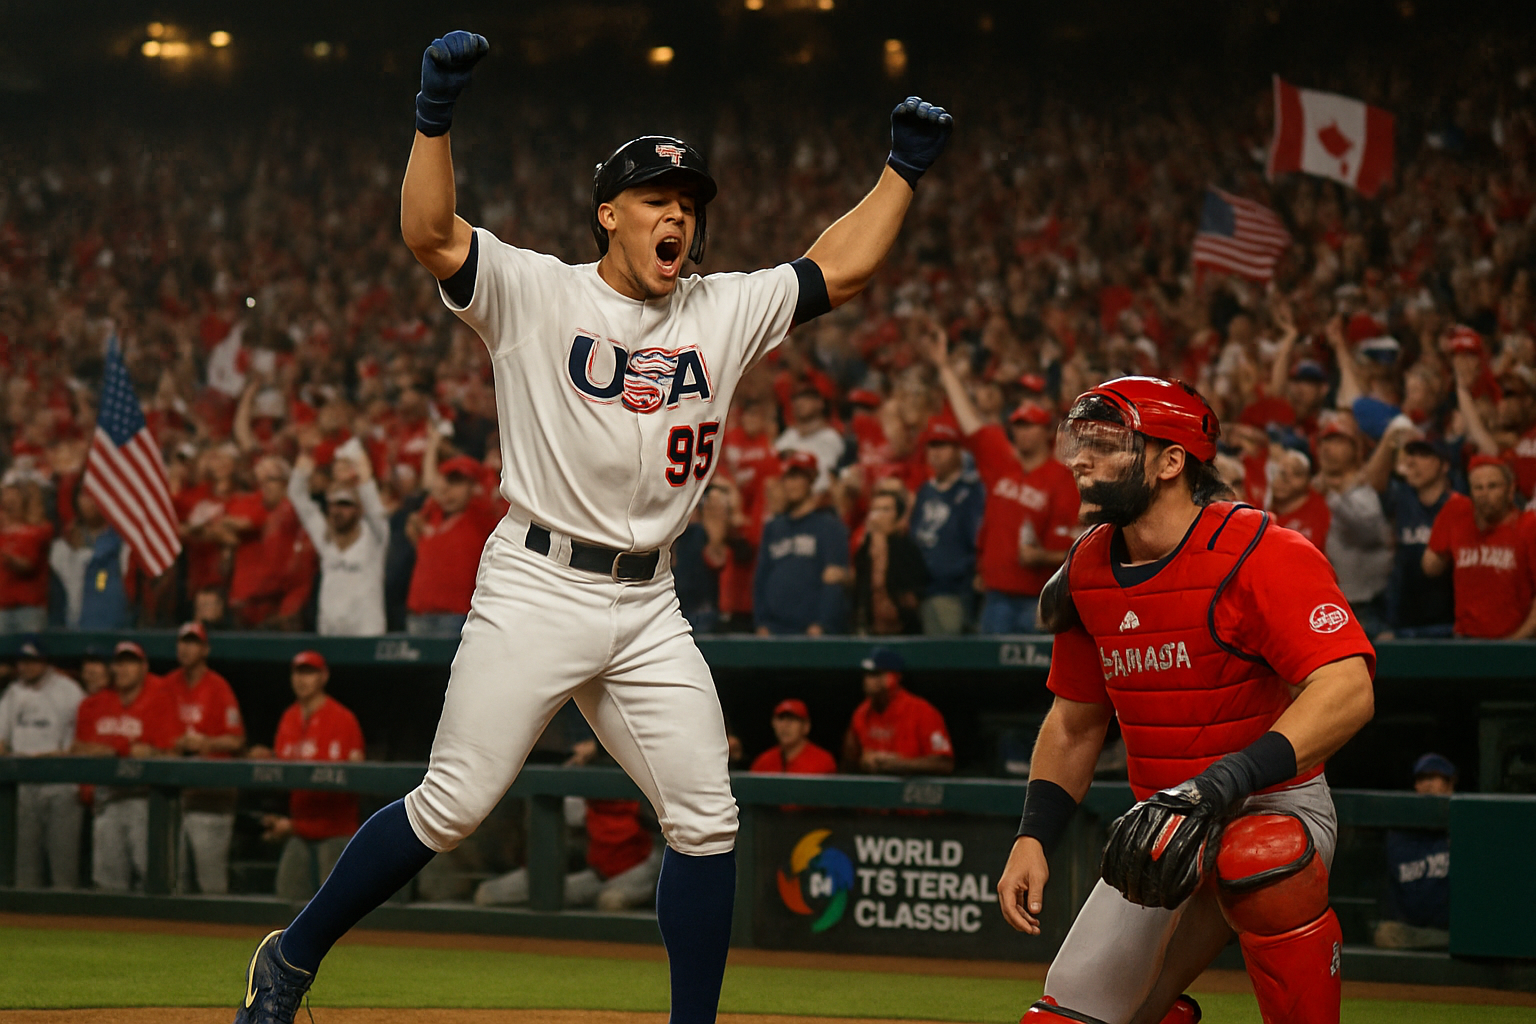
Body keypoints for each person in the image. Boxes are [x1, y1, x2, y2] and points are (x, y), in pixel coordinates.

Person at [229, 29, 951, 1024]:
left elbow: (844, 267)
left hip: (649, 600)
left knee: (706, 816)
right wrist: (433, 118)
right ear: (610, 213)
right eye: (658, 200)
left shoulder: (722, 307)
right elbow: (433, 235)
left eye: (690, 206)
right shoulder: (539, 292)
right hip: (537, 584)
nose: (679, 219)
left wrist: (899, 173)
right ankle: (293, 956)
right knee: (453, 805)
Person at [1000, 376, 1375, 1024]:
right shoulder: (1087, 569)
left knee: (1262, 858)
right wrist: (1033, 837)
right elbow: (1073, 726)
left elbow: (1348, 690)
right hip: (1161, 825)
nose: (1080, 459)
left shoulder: (1264, 551)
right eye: (1078, 442)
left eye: (1107, 443)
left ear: (1172, 461)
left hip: (1272, 802)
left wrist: (1225, 782)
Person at [919, 325, 1078, 634]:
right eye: (1018, 425)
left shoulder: (1062, 479)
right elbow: (969, 419)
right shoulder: (1001, 460)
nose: (1022, 431)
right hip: (995, 597)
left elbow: (1073, 552)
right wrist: (944, 366)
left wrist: (1042, 558)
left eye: (1030, 426)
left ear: (1047, 433)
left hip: (1037, 598)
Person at [252, 651, 366, 902]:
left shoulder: (343, 719)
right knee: (288, 904)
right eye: (298, 672)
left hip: (336, 832)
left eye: (309, 672)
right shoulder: (289, 718)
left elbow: (355, 782)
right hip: (299, 829)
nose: (302, 679)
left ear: (323, 676)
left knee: (337, 907)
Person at [71, 641, 178, 892]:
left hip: (144, 799)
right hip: (107, 798)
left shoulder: (159, 699)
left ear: (143, 668)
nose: (123, 669)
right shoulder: (96, 702)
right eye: (119, 663)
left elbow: (170, 752)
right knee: (108, 883)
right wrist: (119, 749)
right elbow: (77, 747)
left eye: (130, 662)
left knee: (150, 878)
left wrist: (145, 751)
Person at [160, 622, 246, 895]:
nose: (186, 648)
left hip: (211, 800)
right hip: (172, 799)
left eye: (193, 642)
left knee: (210, 884)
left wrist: (206, 743)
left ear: (205, 649)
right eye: (182, 642)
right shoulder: (167, 685)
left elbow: (236, 740)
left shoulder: (218, 687)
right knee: (174, 884)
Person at [474, 797, 663, 912]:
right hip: (595, 874)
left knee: (611, 901)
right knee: (487, 894)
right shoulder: (577, 786)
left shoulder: (642, 780)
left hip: (636, 869)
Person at [0, 639, 85, 889]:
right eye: (22, 661)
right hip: (23, 786)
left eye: (32, 661)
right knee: (25, 866)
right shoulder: (13, 692)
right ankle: (27, 920)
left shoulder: (68, 690)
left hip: (61, 784)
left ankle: (67, 919)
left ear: (45, 662)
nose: (26, 667)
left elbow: (75, 744)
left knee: (64, 864)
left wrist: (50, 756)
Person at [1423, 456, 1536, 639]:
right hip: (1466, 639)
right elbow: (1430, 567)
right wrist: (1448, 519)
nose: (1485, 494)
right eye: (1478, 487)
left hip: (1515, 641)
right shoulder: (1458, 514)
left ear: (1510, 490)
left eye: (1493, 486)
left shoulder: (1529, 526)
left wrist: (1514, 643)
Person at [289, 452, 390, 636]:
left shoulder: (375, 537)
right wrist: (302, 469)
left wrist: (364, 480)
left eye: (345, 504)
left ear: (358, 508)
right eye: (333, 504)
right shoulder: (324, 536)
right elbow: (298, 498)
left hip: (366, 632)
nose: (337, 510)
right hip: (329, 631)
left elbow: (376, 513)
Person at [753, 451, 850, 635]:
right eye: (788, 478)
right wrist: (761, 622)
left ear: (811, 481)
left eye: (798, 478)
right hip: (773, 629)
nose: (791, 484)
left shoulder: (830, 526)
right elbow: (761, 578)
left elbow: (833, 580)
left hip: (811, 630)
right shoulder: (773, 527)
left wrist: (823, 624)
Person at [404, 453, 500, 636]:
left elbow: (491, 496)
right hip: (418, 616)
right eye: (446, 482)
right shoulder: (431, 517)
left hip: (455, 618)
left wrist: (485, 472)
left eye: (457, 483)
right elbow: (431, 491)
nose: (448, 490)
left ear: (473, 487)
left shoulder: (478, 518)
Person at [1370, 435, 1456, 638]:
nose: (1412, 461)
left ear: (1444, 465)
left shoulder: (1457, 505)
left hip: (1444, 616)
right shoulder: (1402, 498)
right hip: (1403, 610)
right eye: (1410, 455)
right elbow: (1375, 481)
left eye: (1424, 455)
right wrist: (1390, 437)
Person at [1313, 421, 1393, 634]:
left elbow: (1368, 533)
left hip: (1363, 604)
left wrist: (1333, 497)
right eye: (1324, 442)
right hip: (1322, 601)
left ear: (1356, 449)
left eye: (1337, 442)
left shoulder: (1366, 491)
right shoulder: (1309, 490)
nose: (1327, 449)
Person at [909, 422, 985, 635]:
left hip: (953, 591)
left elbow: (977, 540)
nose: (935, 453)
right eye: (932, 446)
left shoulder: (972, 492)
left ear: (958, 451)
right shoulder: (925, 491)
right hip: (922, 591)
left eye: (942, 446)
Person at [1374, 753, 1455, 951]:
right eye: (1421, 778)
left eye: (1434, 777)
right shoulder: (1400, 833)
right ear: (1415, 786)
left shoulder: (1464, 827)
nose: (1427, 784)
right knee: (1386, 933)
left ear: (1450, 784)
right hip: (1411, 932)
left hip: (1453, 931)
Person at [841, 648, 954, 776]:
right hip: (874, 792)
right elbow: (848, 765)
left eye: (877, 674)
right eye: (867, 674)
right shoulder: (861, 713)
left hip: (912, 792)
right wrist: (863, 761)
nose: (869, 680)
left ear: (896, 677)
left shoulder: (922, 711)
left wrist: (898, 764)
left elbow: (945, 764)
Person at [48, 484, 131, 630]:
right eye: (85, 495)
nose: (90, 501)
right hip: (73, 627)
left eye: (95, 494)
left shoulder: (124, 543)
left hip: (113, 627)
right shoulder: (61, 548)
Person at [852, 488, 930, 635]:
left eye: (885, 509)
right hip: (872, 631)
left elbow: (913, 595)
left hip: (904, 632)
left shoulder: (908, 549)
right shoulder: (864, 551)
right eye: (875, 509)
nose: (878, 515)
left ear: (899, 517)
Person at [0, 475, 53, 634]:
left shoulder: (39, 530)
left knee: (31, 656)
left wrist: (8, 557)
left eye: (14, 496)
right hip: (3, 607)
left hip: (29, 609)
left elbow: (28, 565)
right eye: (6, 495)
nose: (9, 501)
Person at [776, 384, 844, 492]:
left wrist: (796, 456)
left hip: (819, 498)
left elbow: (826, 478)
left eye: (807, 398)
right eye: (796, 399)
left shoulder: (830, 438)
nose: (800, 402)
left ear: (820, 403)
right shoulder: (788, 436)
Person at [1265, 445, 1331, 549]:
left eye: (1296, 473)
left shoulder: (1322, 508)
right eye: (1281, 473)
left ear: (1308, 480)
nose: (1286, 479)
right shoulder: (1262, 507)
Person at [749, 699, 838, 774]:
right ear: (773, 723)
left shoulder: (823, 761)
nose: (785, 725)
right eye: (781, 719)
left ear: (806, 726)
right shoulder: (762, 762)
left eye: (792, 719)